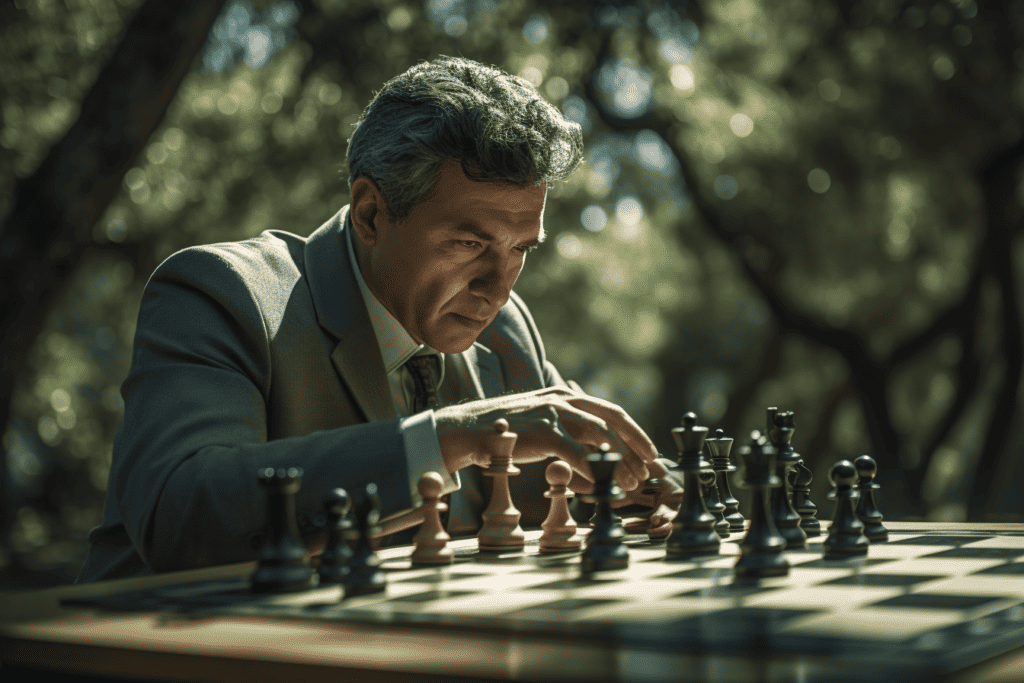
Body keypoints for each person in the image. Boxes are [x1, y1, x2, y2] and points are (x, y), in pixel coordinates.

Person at [77, 56, 666, 582]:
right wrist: (449, 438)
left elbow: (568, 480)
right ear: (370, 214)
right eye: (467, 243)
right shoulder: (223, 295)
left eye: (521, 249)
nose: (498, 286)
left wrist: (638, 492)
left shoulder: (508, 332)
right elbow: (182, 515)